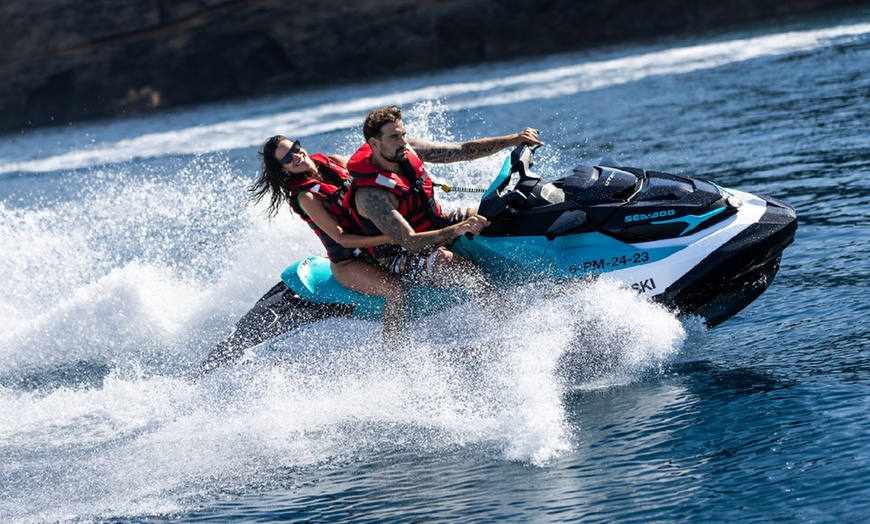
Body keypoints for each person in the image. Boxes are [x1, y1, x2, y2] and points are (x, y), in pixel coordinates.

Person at [344, 105, 543, 295]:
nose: (403, 142)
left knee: (501, 210)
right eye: (394, 137)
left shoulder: (411, 150)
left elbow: (463, 150)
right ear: (374, 143)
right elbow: (411, 242)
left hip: (436, 223)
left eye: (403, 134)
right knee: (462, 268)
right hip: (400, 255)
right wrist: (459, 229)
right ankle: (503, 315)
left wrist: (513, 139)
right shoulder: (371, 195)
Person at [251, 135, 407, 349]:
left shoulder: (333, 161)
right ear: (283, 169)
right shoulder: (306, 197)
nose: (296, 155)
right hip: (350, 262)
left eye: (295, 147)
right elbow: (341, 238)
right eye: (287, 158)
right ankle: (395, 351)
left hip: (378, 245)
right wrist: (392, 237)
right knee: (395, 292)